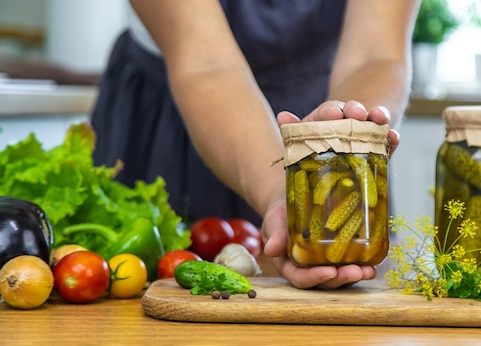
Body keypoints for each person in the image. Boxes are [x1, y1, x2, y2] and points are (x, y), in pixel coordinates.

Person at [91, 0, 420, 289]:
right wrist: (285, 192)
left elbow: (374, 56)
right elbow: (207, 64)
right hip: (184, 108)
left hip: (326, 114)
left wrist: (348, 143)